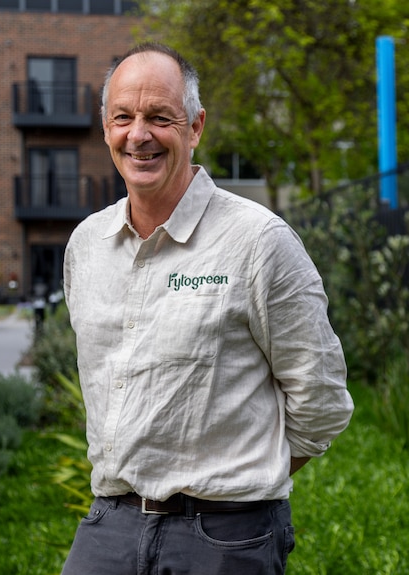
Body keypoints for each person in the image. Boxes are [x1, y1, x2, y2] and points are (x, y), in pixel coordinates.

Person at [61, 42, 353, 575]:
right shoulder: (87, 244)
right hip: (108, 527)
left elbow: (323, 401)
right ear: (106, 129)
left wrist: (240, 484)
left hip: (225, 538)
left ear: (194, 127)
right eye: (122, 117)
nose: (139, 134)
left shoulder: (258, 241)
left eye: (159, 117)